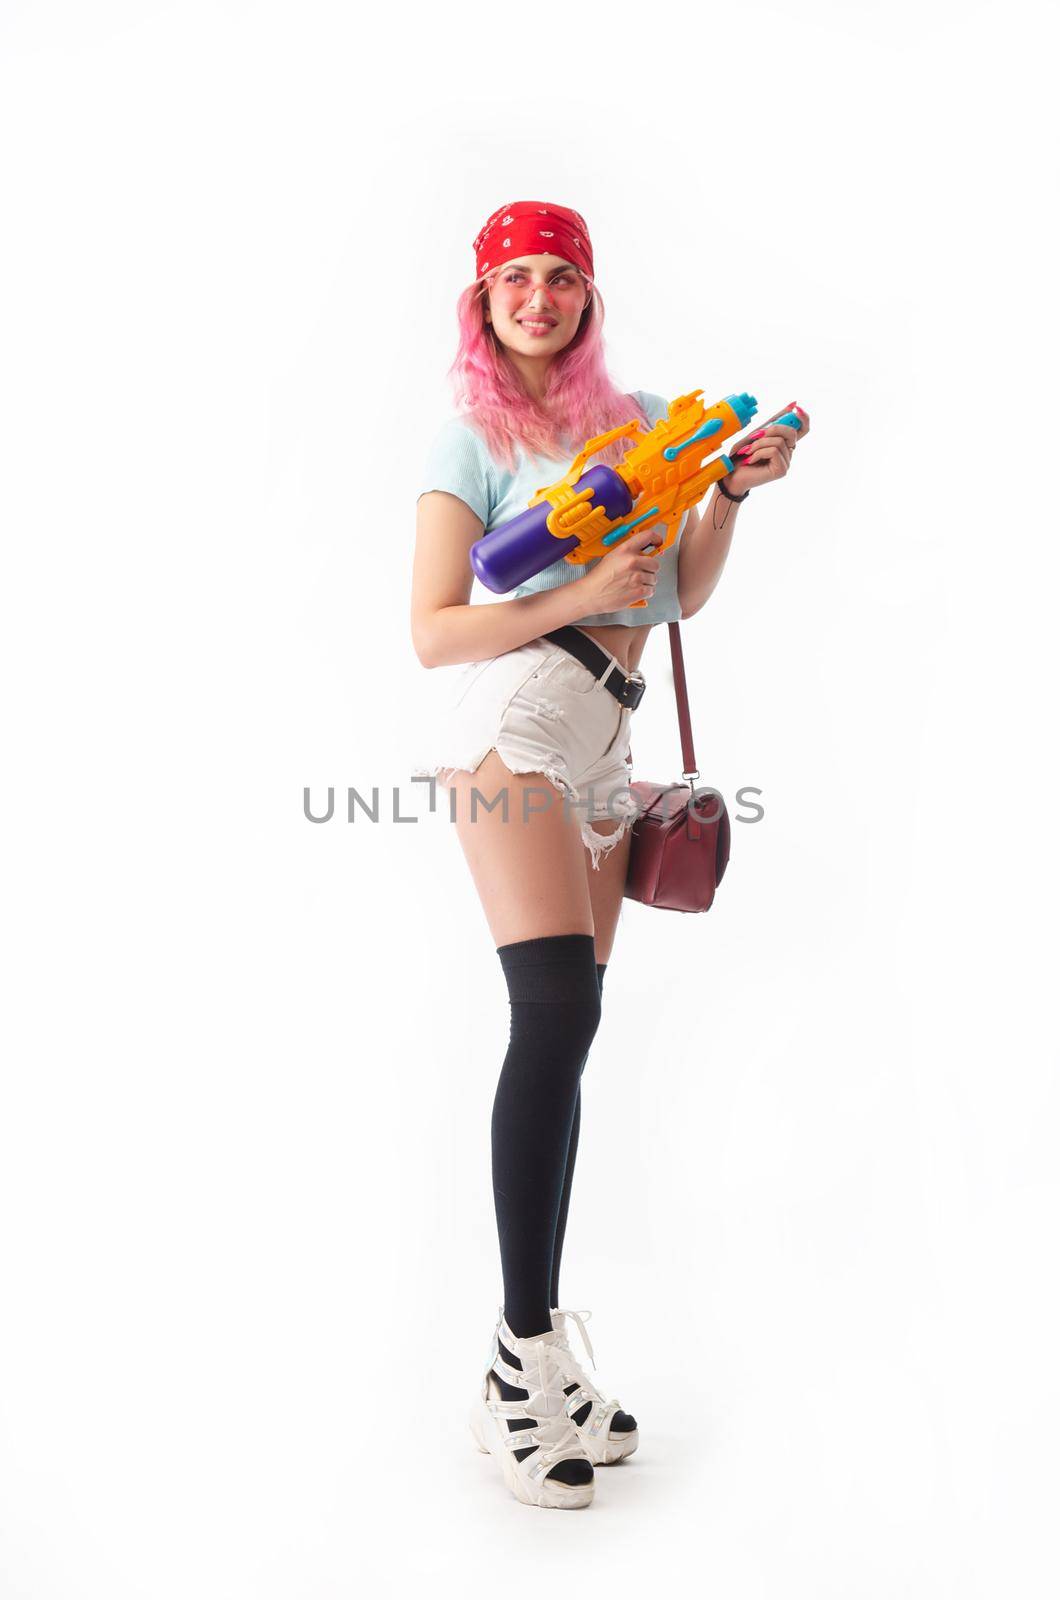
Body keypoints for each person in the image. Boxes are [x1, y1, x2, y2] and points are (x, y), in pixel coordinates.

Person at [410, 199, 806, 1510]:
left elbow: (677, 593)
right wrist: (577, 592)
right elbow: (434, 629)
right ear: (484, 299)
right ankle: (523, 1353)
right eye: (515, 278)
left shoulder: (638, 421)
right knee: (554, 1004)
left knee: (572, 1033)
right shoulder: (473, 437)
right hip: (516, 720)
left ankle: (522, 1352)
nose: (539, 296)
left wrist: (726, 496)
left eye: (560, 277)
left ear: (588, 294)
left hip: (609, 738)